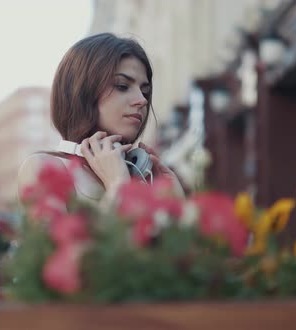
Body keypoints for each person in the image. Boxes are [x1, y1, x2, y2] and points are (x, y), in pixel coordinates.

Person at [18, 33, 184, 209]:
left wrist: (176, 205)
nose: (142, 100)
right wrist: (118, 186)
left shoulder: (143, 180)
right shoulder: (44, 168)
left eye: (145, 91)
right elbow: (58, 237)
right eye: (122, 86)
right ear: (82, 92)